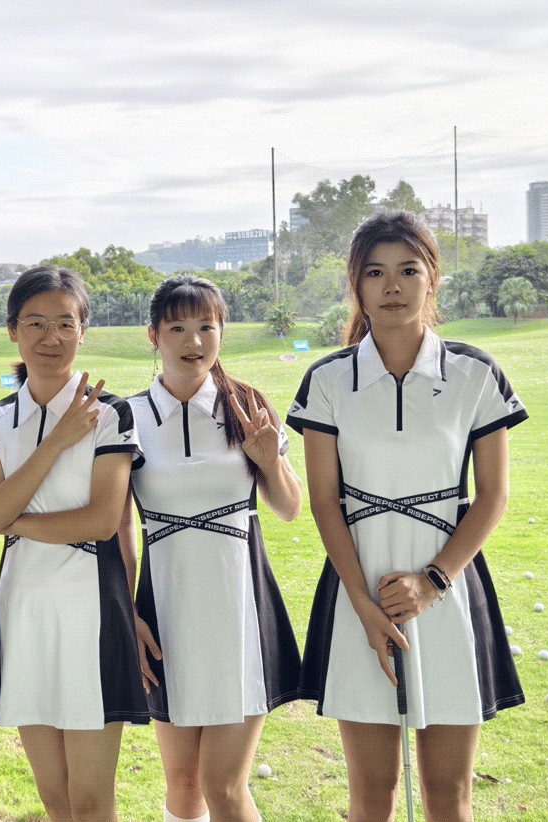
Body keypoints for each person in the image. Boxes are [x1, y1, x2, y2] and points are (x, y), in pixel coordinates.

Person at [286, 212, 527, 822]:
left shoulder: (476, 373)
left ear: (432, 279)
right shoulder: (328, 379)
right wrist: (366, 605)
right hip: (356, 592)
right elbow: (322, 501)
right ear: (357, 285)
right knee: (372, 793)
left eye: (407, 270)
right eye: (375, 272)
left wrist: (433, 582)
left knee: (448, 794)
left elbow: (492, 497)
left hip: (448, 592)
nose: (392, 286)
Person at [0, 265, 149, 822]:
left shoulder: (113, 412)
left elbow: (100, 521)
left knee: (92, 800)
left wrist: (15, 519)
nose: (52, 338)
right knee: (54, 799)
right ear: (12, 330)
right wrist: (57, 440)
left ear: (83, 330)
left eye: (66, 324)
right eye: (36, 323)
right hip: (24, 608)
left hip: (93, 608)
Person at [125, 275, 303, 822]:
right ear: (153, 335)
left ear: (222, 331)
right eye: (178, 327)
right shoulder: (124, 416)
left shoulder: (245, 405)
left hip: (239, 607)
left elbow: (290, 507)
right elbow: (115, 528)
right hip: (166, 608)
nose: (193, 340)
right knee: (182, 785)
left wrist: (269, 458)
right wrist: (128, 613)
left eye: (207, 326)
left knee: (222, 784)